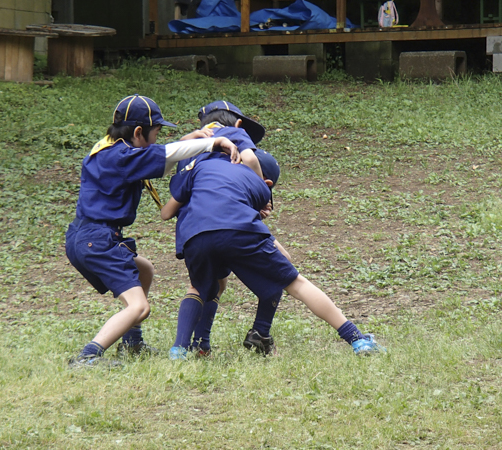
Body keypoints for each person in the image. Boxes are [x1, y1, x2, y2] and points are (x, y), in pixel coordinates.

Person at [65, 94, 241, 368]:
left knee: (143, 269)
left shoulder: (109, 150)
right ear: (138, 132)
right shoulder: (122, 158)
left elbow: (158, 156)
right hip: (97, 240)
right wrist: (215, 141)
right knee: (139, 307)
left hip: (83, 236)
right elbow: (165, 155)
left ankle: (132, 343)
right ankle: (89, 354)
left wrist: (191, 139)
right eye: (156, 133)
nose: (158, 139)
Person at [160, 150, 386, 360]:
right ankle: (356, 339)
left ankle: (187, 348)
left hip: (194, 235)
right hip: (236, 231)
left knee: (201, 287)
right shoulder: (253, 182)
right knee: (293, 281)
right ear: (266, 183)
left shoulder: (202, 164)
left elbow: (169, 211)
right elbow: (240, 218)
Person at [173, 101, 288, 357]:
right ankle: (260, 331)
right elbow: (247, 158)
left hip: (193, 229)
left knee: (208, 284)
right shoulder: (235, 144)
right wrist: (261, 192)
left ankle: (195, 345)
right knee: (283, 266)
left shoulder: (191, 152)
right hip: (229, 225)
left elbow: (171, 204)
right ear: (237, 126)